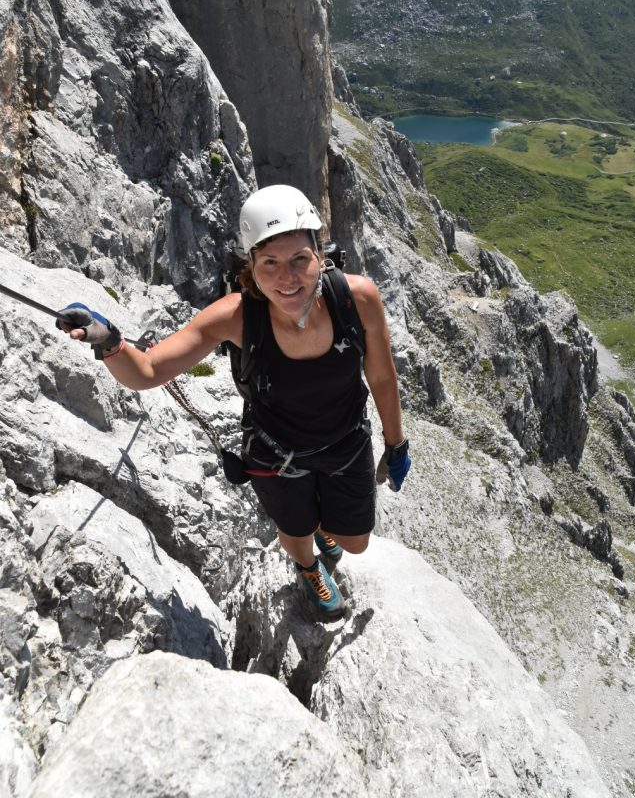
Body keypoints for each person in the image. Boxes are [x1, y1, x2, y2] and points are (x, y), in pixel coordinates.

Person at [57, 185, 411, 620]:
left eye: (300, 259)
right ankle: (308, 567)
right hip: (276, 455)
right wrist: (110, 342)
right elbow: (148, 371)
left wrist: (396, 444)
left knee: (355, 541)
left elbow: (380, 375)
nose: (289, 278)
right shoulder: (236, 316)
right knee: (296, 529)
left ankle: (324, 528)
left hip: (346, 445)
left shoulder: (356, 299)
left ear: (320, 256)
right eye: (271, 264)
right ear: (252, 268)